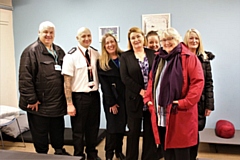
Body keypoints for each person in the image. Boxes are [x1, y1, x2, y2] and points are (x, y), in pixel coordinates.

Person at [144, 27, 204, 160]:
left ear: (177, 40)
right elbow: (152, 80)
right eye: (164, 40)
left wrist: (184, 103)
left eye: (170, 39)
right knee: (167, 149)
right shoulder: (159, 57)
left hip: (180, 113)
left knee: (181, 152)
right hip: (161, 113)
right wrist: (148, 98)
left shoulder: (189, 57)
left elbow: (197, 83)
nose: (167, 42)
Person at [18, 21, 69, 155]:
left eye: (51, 32)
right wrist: (31, 99)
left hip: (57, 104)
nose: (48, 35)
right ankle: (42, 156)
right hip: (39, 105)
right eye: (45, 32)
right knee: (40, 136)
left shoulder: (59, 51)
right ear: (39, 33)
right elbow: (25, 78)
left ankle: (59, 152)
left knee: (58, 131)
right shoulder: (31, 52)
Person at [120, 27, 159, 160]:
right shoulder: (125, 56)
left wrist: (149, 93)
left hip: (151, 100)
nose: (136, 40)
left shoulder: (153, 53)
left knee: (149, 132)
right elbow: (125, 78)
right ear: (130, 41)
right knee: (133, 133)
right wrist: (141, 91)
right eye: (133, 38)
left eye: (138, 36)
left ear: (143, 38)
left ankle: (148, 157)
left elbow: (158, 74)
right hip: (134, 99)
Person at [62, 27, 101, 160]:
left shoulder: (96, 53)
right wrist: (69, 104)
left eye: (89, 35)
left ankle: (92, 153)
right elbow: (67, 81)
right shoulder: (70, 56)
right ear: (77, 38)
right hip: (79, 97)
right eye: (83, 36)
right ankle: (78, 155)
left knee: (93, 127)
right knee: (78, 130)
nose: (86, 38)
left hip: (94, 96)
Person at [183, 28, 215, 160]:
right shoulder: (181, 58)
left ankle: (193, 157)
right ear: (186, 40)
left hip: (199, 103)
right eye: (191, 38)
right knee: (184, 132)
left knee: (195, 132)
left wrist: (209, 105)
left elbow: (209, 83)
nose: (194, 41)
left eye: (196, 38)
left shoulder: (205, 59)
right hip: (184, 102)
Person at [97, 33, 126, 160]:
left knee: (121, 127)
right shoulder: (102, 63)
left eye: (112, 41)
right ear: (104, 46)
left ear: (116, 42)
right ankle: (109, 154)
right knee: (112, 128)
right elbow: (105, 87)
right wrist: (111, 103)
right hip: (111, 99)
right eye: (107, 43)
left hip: (125, 98)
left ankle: (118, 151)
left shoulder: (123, 57)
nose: (110, 45)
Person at [146, 30, 163, 160]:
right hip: (147, 98)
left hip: (160, 99)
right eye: (151, 42)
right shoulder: (144, 56)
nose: (154, 44)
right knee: (150, 130)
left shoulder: (163, 56)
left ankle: (161, 152)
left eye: (156, 42)